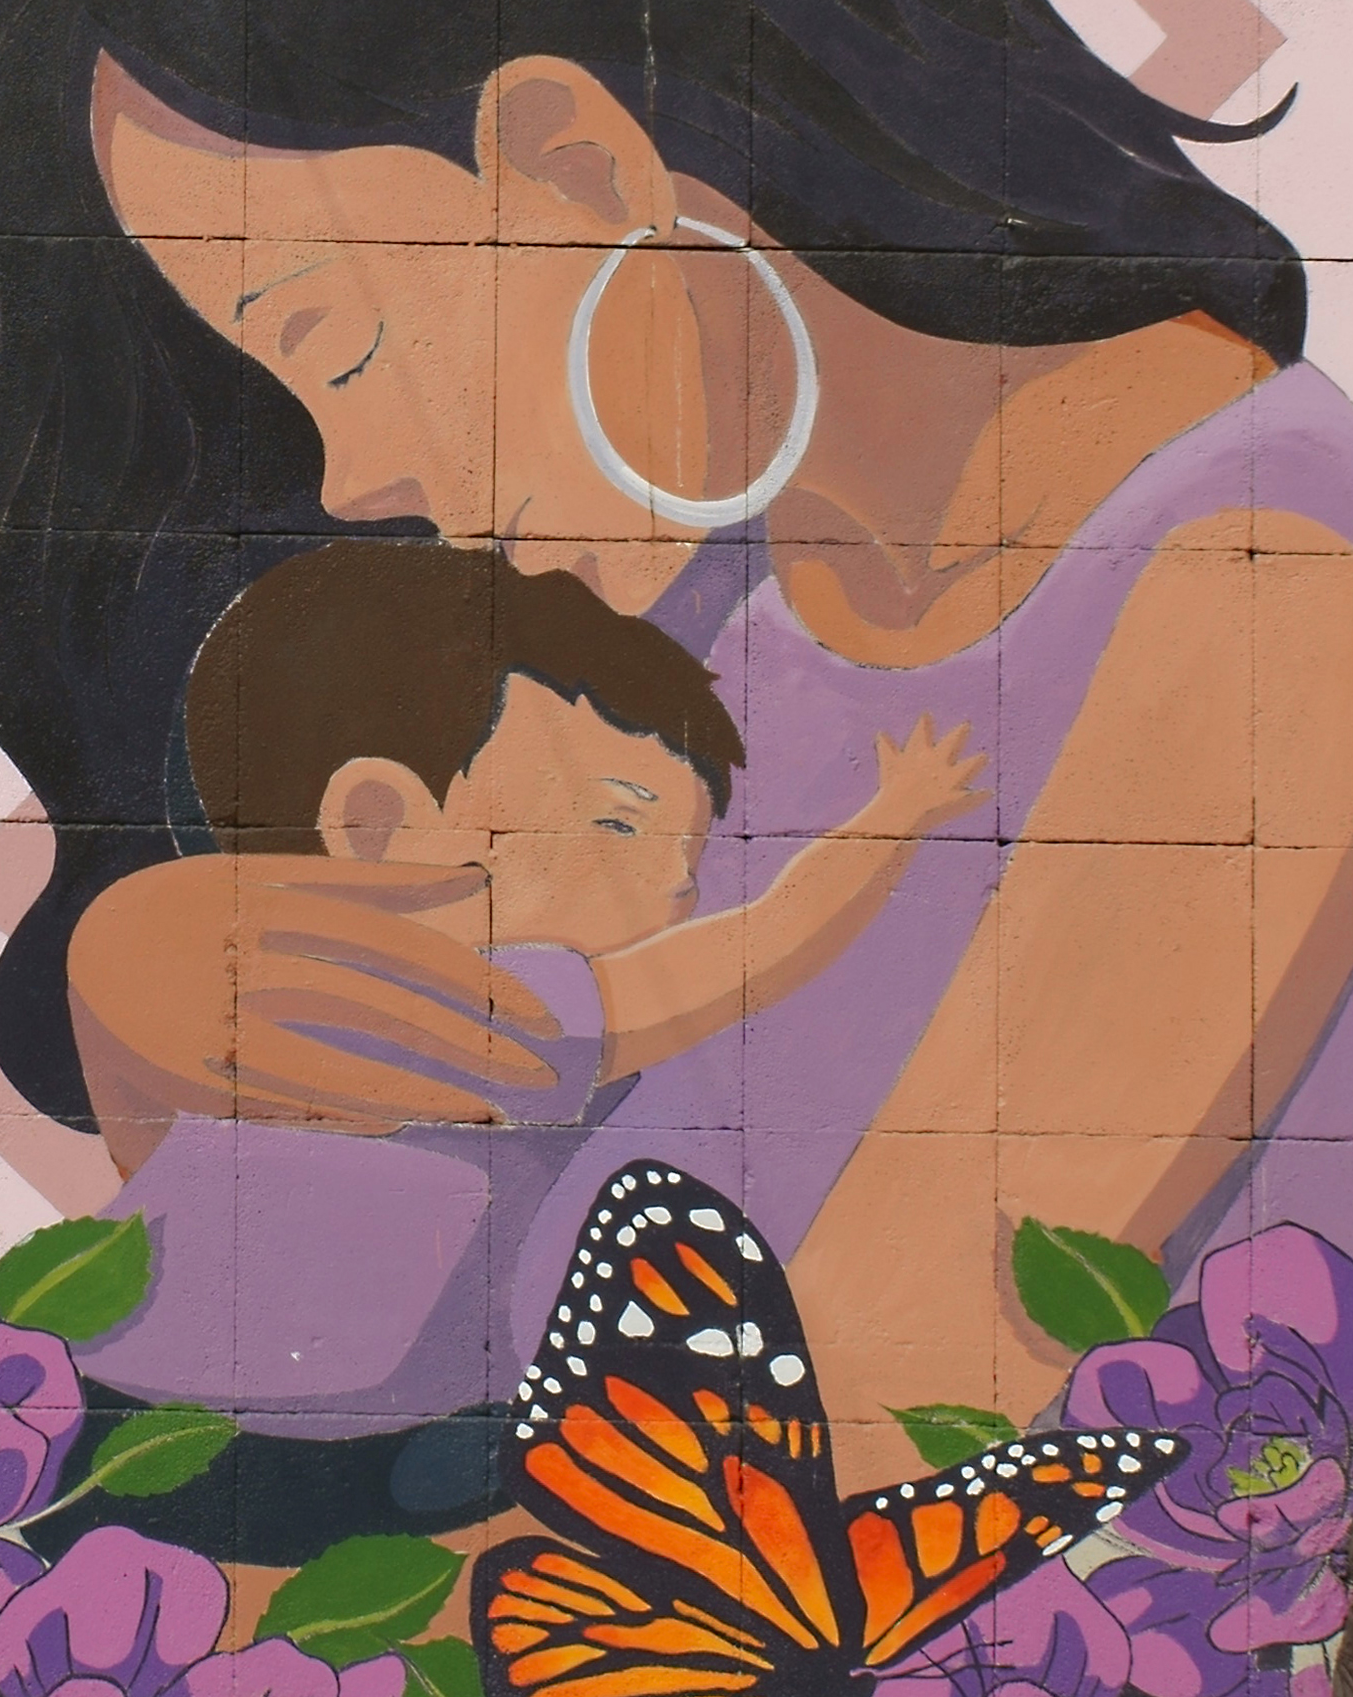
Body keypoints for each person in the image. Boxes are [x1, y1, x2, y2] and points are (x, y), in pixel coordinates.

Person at [0, 0, 1353, 1492]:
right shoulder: (720, 588)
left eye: (327, 344)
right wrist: (167, 994)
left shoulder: (1256, 597)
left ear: (581, 165)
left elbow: (853, 1447)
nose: (350, 475)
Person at [88, 538, 982, 1518]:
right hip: (341, 1420)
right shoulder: (489, 1000)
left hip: (130, 1382)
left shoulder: (251, 1002)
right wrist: (894, 817)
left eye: (682, 859)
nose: (670, 893)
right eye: (618, 827)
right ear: (378, 825)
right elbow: (754, 948)